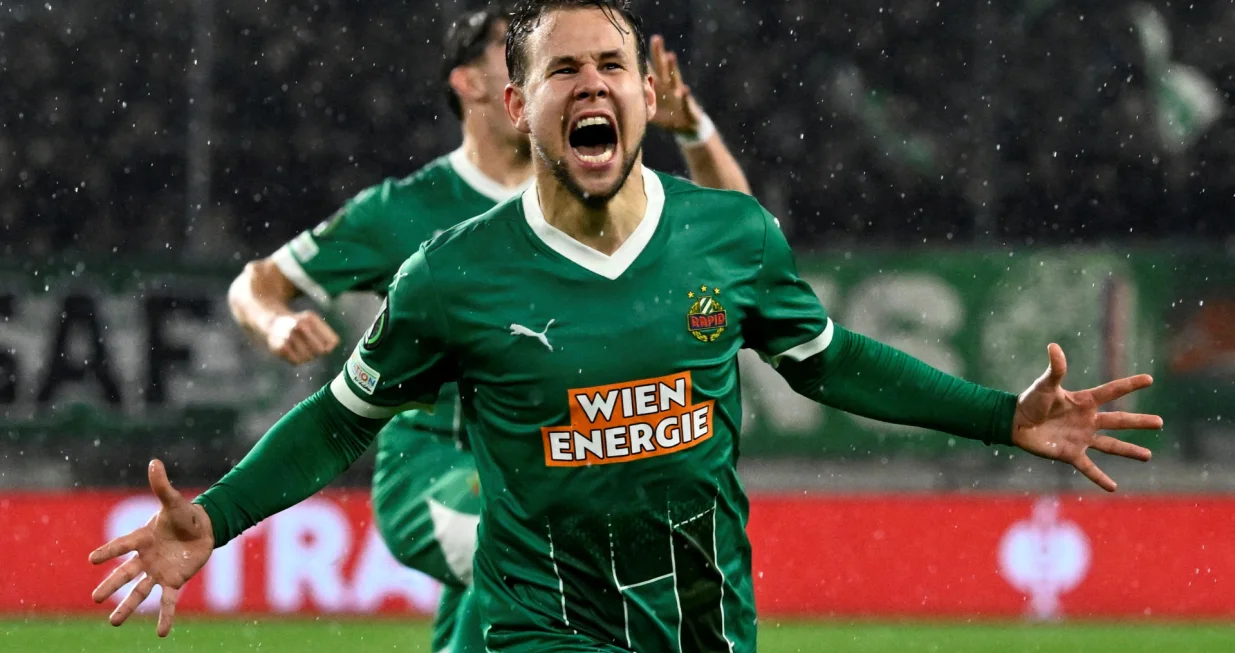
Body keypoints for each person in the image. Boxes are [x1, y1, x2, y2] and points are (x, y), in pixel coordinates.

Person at [89, 1, 1162, 651]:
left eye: (608, 65)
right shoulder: (449, 272)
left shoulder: (725, 234)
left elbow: (828, 361)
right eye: (561, 67)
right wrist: (217, 515)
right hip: (544, 615)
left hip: (704, 610)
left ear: (646, 98)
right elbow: (339, 420)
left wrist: (996, 418)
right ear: (518, 105)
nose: (588, 83)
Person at [223, 5, 749, 652]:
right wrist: (274, 322)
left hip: (548, 464)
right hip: (435, 467)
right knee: (533, 546)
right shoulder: (405, 211)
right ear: (470, 82)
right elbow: (256, 283)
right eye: (518, 52)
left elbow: (741, 239)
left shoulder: (599, 194)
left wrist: (692, 129)